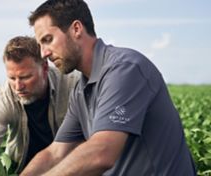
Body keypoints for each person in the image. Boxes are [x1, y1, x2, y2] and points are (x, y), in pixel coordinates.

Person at [21, 0, 197, 175]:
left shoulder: (125, 69)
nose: (44, 53)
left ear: (76, 29)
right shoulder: (81, 90)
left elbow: (102, 152)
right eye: (40, 45)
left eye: (48, 40)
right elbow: (55, 153)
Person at [0, 36, 80, 175]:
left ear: (44, 68)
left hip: (69, 168)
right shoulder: (5, 97)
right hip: (22, 170)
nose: (18, 86)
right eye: (12, 78)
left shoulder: (72, 84)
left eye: (25, 77)